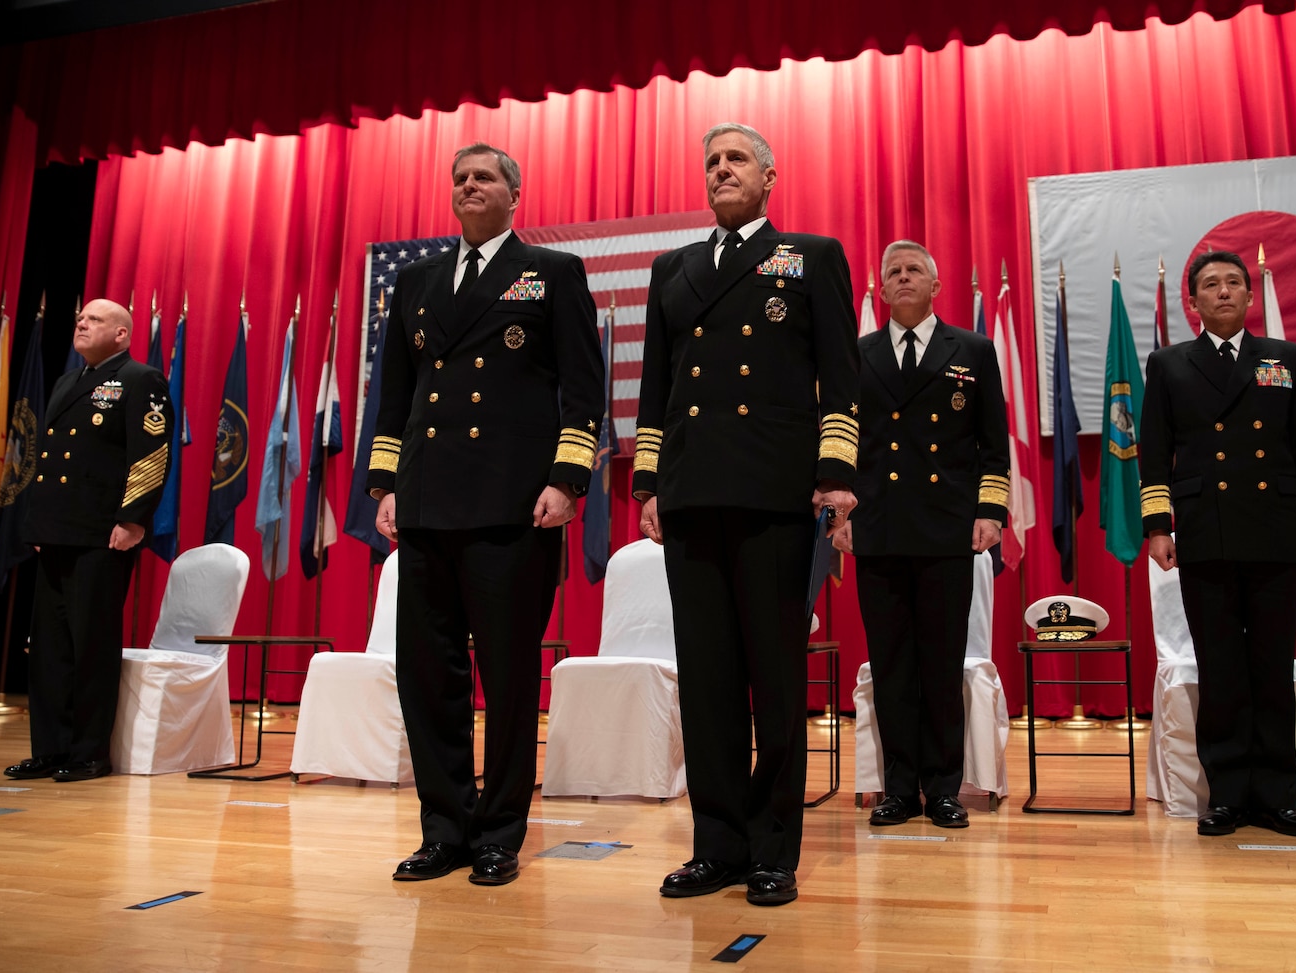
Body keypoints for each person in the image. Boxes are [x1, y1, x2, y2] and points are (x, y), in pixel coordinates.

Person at [633, 122, 860, 907]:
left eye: (735, 160)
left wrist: (834, 475)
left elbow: (841, 373)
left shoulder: (810, 256)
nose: (720, 170)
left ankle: (772, 848)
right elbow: (656, 389)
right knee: (708, 682)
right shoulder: (676, 267)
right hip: (693, 495)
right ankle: (717, 844)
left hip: (773, 492)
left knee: (772, 676)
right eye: (711, 163)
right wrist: (649, 484)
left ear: (770, 176)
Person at [368, 142, 604, 885]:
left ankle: (499, 830)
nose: (470, 186)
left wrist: (567, 480)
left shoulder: (552, 274)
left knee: (504, 679)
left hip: (512, 506)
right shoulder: (417, 281)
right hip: (429, 502)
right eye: (459, 179)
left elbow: (582, 388)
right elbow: (395, 398)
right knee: (427, 677)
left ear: (514, 194)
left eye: (485, 177)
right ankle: (445, 827)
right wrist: (386, 485)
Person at [1138, 250, 1296, 838]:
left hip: (1275, 528)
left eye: (1233, 284)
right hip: (1206, 529)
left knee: (1271, 666)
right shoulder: (1169, 364)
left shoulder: (1287, 358)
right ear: (1193, 301)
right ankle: (1226, 794)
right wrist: (1157, 526)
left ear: (1250, 297)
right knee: (1220, 668)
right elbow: (1155, 451)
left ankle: (1277, 797)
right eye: (1210, 285)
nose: (1223, 292)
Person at [833, 240, 1009, 830]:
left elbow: (993, 444)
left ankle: (943, 788)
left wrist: (991, 511)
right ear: (881, 289)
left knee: (939, 663)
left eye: (914, 271)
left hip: (945, 527)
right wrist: (839, 515)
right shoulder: (857, 355)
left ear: (936, 286)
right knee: (891, 663)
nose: (903, 278)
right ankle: (897, 788)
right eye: (893, 272)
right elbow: (841, 444)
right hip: (878, 527)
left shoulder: (974, 350)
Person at [4, 299, 171, 782]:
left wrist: (134, 519)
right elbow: (49, 462)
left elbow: (150, 454)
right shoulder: (67, 382)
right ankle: (51, 748)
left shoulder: (142, 380)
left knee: (91, 645)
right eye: (80, 318)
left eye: (94, 319)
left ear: (122, 334)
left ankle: (88, 751)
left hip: (103, 534)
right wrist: (38, 523)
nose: (81, 323)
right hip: (56, 532)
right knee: (50, 647)